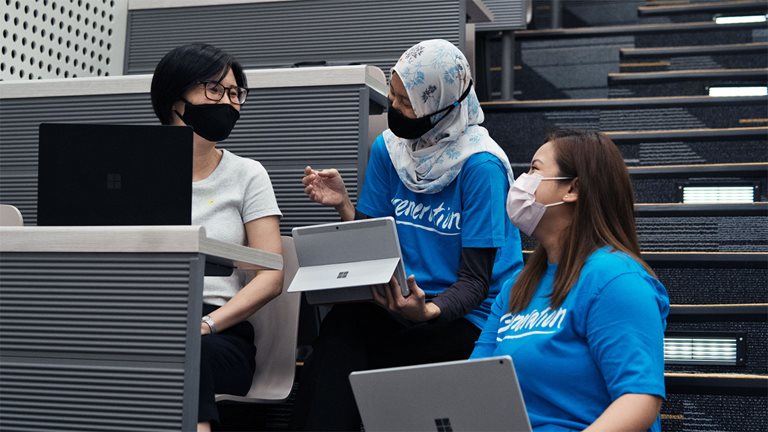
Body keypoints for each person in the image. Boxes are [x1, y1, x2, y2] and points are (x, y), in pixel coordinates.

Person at [291, 39, 524, 430]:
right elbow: (374, 242)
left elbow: (475, 282)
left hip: (465, 312)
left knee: (388, 357)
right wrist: (345, 208)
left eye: (405, 102)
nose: (393, 110)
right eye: (392, 96)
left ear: (441, 106)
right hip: (398, 299)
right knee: (340, 333)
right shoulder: (390, 149)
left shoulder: (481, 166)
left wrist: (428, 312)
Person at [472, 130, 670, 431]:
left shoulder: (617, 281)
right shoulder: (517, 286)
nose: (521, 182)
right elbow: (474, 381)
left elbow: (639, 399)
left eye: (534, 169)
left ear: (573, 188)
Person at [150, 43, 284, 432]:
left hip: (220, 333)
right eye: (214, 89)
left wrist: (207, 324)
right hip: (149, 320)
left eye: (234, 92)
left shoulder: (248, 175)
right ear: (175, 98)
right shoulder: (134, 170)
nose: (228, 101)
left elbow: (271, 274)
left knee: (188, 352)